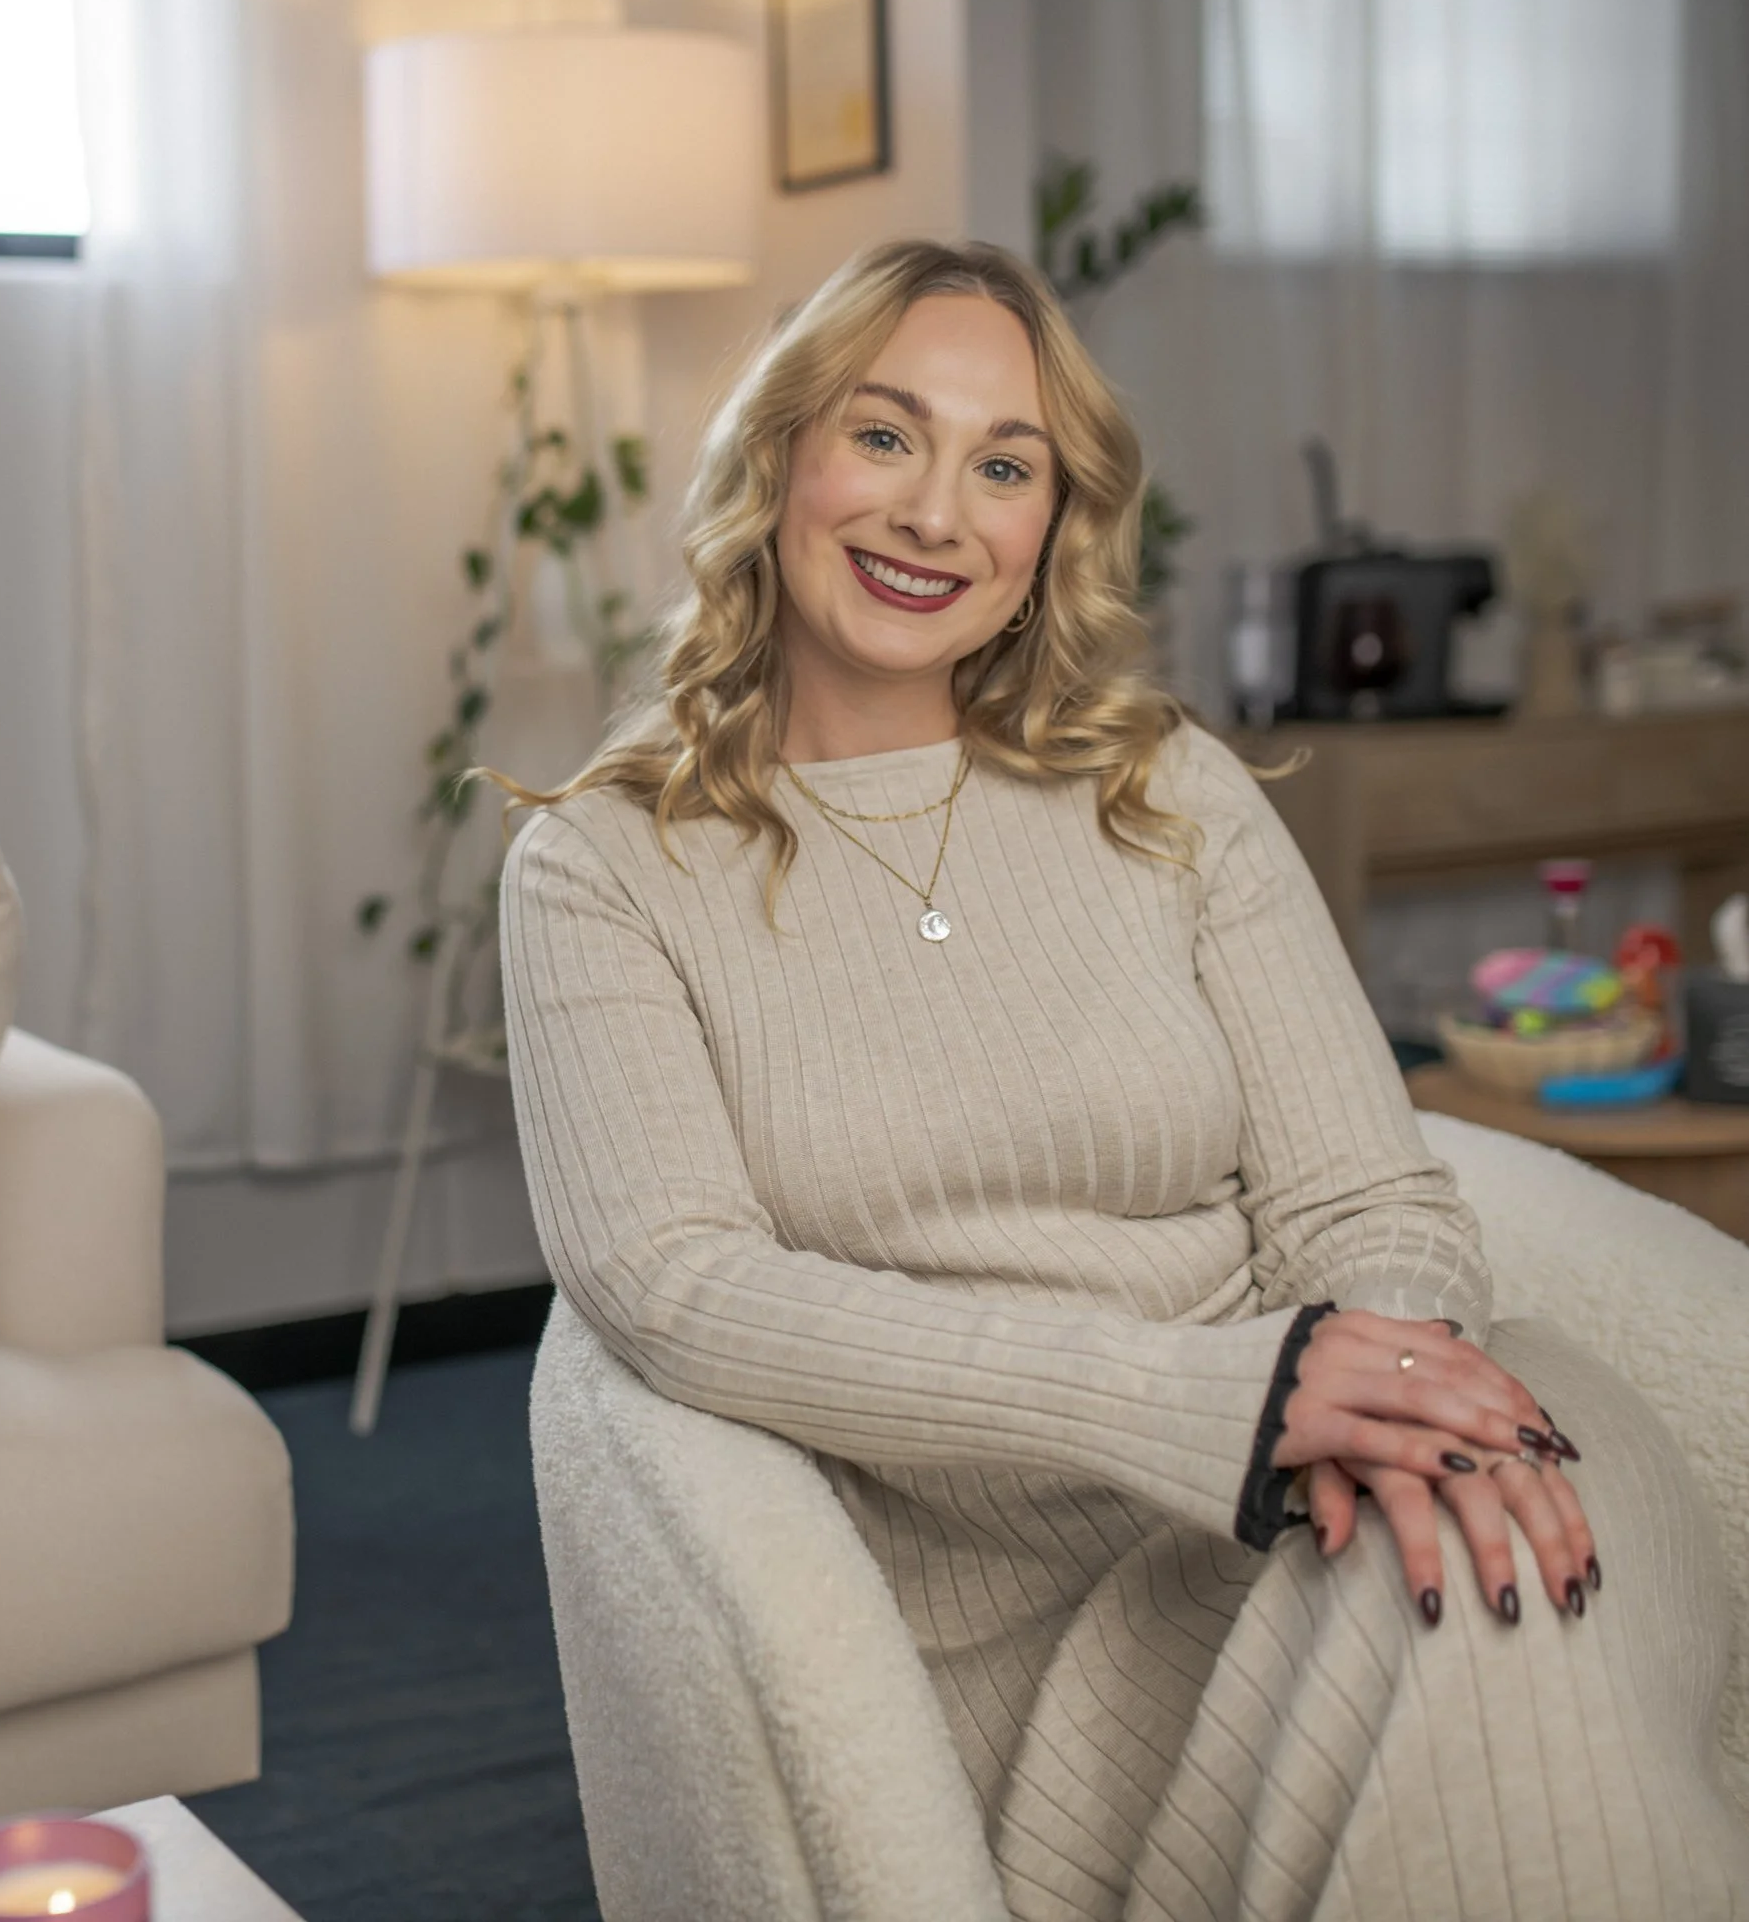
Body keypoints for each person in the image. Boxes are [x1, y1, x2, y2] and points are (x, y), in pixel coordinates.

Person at [494, 239, 1748, 1920]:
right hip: (1053, 1623)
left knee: (1520, 1558)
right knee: (1510, 1651)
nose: (938, 512)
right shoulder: (606, 863)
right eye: (885, 437)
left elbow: (1362, 1193)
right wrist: (1224, 1410)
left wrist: (1381, 1403)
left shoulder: (1164, 785)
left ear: (1050, 535)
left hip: (1340, 1483)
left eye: (1004, 465)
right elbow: (676, 1290)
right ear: (780, 456)